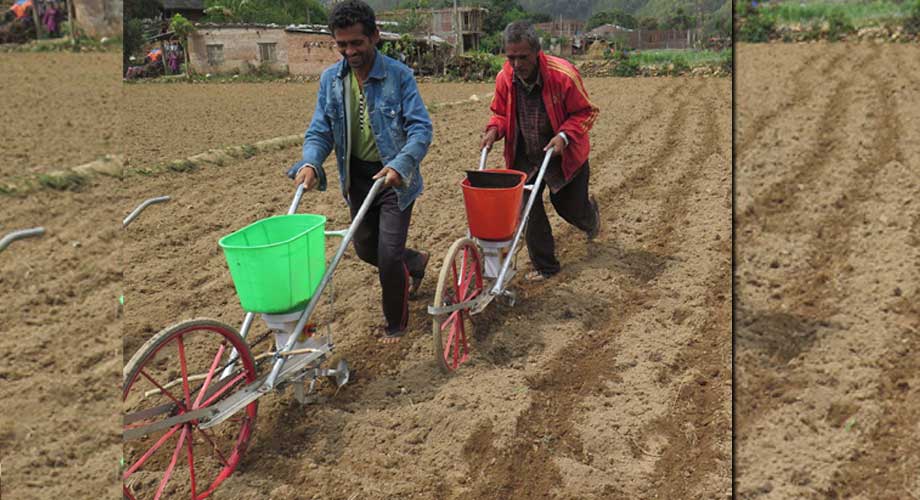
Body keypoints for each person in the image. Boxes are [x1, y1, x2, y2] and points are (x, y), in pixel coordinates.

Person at [287, 0, 432, 344]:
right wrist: (311, 161)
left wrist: (400, 165)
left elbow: (421, 129)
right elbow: (320, 130)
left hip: (395, 177)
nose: (349, 51)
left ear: (374, 37)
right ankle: (416, 262)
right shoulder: (331, 81)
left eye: (356, 43)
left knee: (387, 254)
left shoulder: (399, 76)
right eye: (342, 44)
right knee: (366, 249)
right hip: (357, 177)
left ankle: (396, 324)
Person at [480, 20, 601, 281]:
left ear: (536, 51)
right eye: (511, 57)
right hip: (526, 155)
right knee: (528, 211)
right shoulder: (505, 78)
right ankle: (546, 267)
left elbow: (586, 112)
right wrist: (494, 130)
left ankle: (590, 219)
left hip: (563, 154)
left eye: (522, 57)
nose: (516, 64)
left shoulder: (562, 75)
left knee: (569, 208)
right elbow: (500, 113)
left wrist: (564, 136)